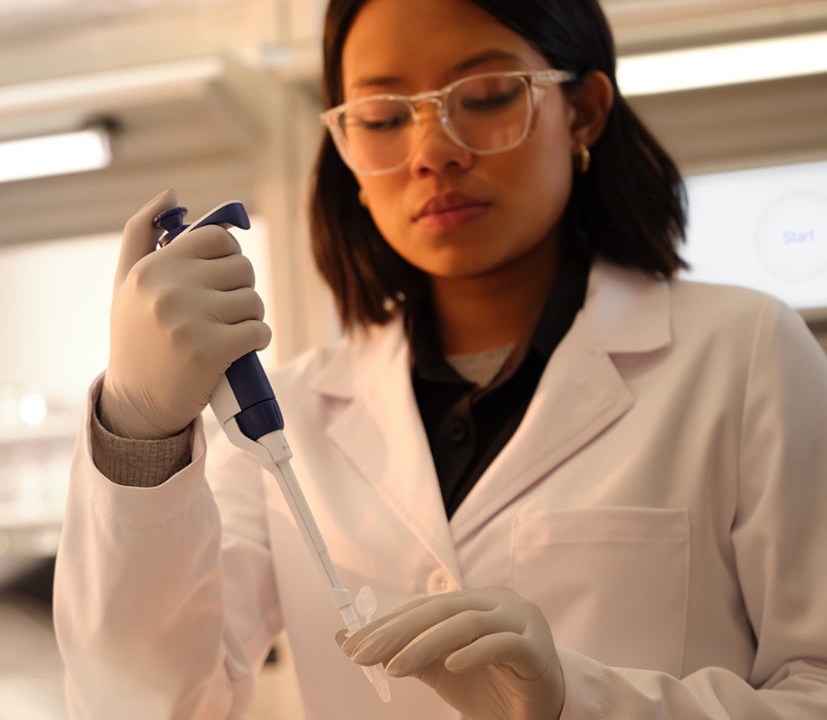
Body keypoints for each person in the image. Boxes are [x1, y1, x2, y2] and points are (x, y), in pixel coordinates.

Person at [53, 0, 827, 717]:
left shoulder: (743, 354)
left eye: (487, 95)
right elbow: (147, 704)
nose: (431, 152)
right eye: (384, 116)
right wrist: (139, 434)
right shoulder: (287, 423)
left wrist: (580, 702)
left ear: (583, 112)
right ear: (347, 150)